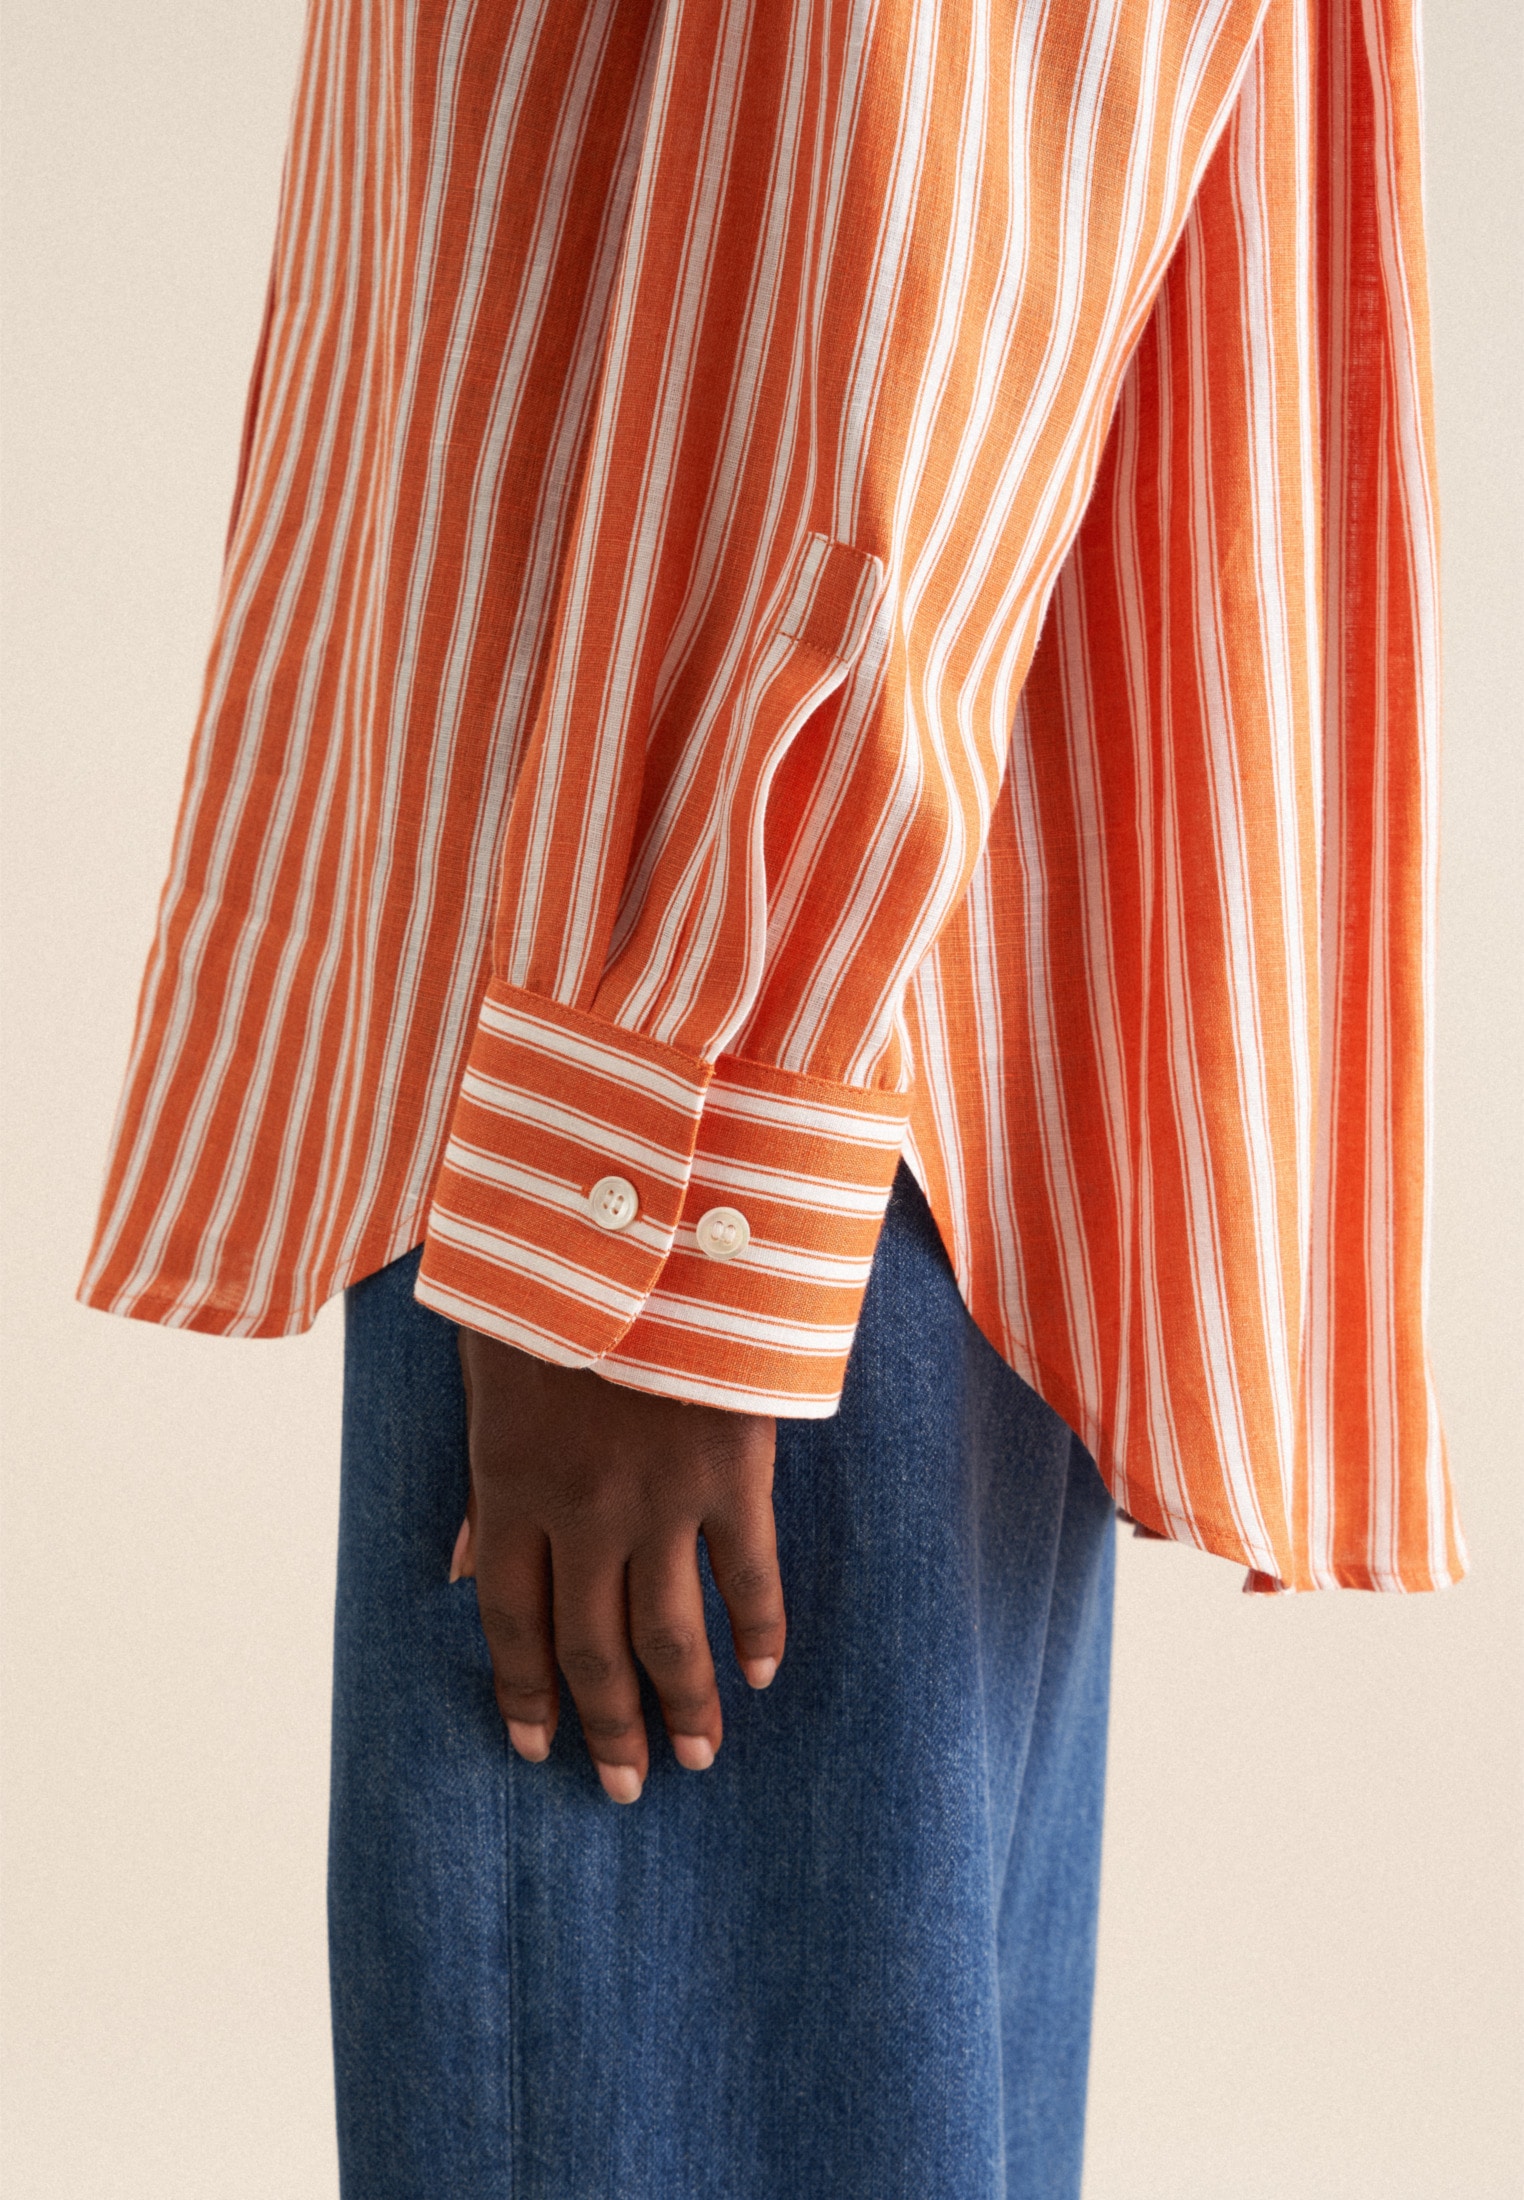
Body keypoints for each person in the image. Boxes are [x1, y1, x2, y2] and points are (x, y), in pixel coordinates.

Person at [80, 0, 1464, 2192]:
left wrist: (669, 1135)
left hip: (685, 1042)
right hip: (811, 1013)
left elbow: (929, 124)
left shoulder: (685, 1057)